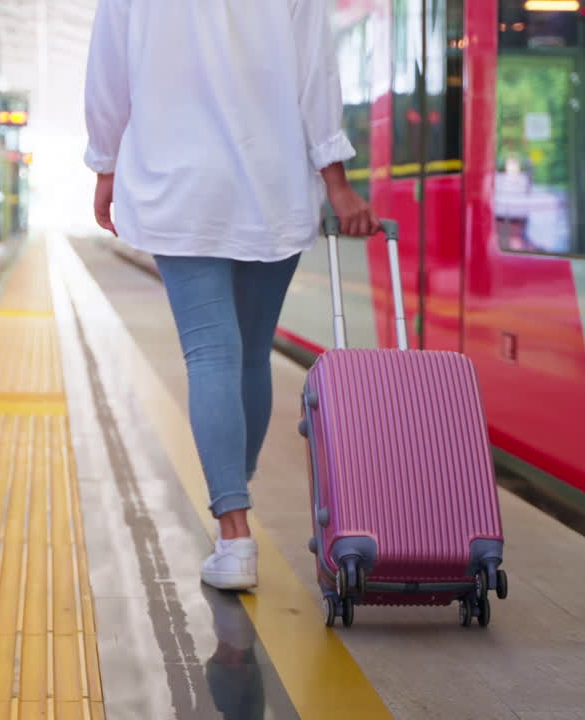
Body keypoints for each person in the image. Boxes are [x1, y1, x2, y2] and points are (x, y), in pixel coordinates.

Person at [83, 0, 379, 591]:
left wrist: (106, 166)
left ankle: (233, 531)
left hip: (178, 186)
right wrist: (338, 184)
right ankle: (233, 504)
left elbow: (107, 77)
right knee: (249, 356)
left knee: (210, 356)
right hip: (272, 187)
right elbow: (316, 74)